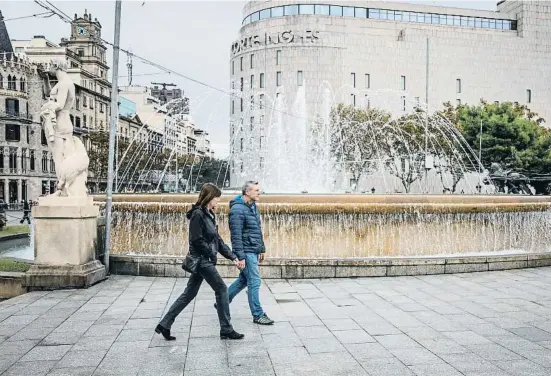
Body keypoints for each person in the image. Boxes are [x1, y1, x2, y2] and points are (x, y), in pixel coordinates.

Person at [155, 183, 244, 341]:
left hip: (204, 260)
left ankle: (164, 324)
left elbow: (217, 240)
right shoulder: (198, 214)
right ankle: (226, 329)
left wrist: (232, 256)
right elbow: (196, 239)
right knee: (222, 289)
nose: (218, 200)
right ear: (209, 197)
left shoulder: (209, 214)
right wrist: (210, 253)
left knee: (189, 293)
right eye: (217, 197)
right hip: (202, 260)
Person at [226, 181, 274, 325]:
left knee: (244, 280)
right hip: (246, 251)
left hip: (253, 248)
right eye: (256, 190)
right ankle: (258, 315)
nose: (259, 193)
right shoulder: (237, 210)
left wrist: (261, 248)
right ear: (247, 192)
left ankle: (222, 300)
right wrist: (239, 256)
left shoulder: (252, 206)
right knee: (254, 280)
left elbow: (257, 229)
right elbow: (236, 235)